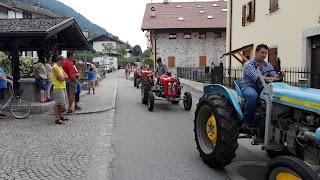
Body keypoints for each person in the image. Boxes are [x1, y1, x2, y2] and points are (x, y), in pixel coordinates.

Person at [241, 44, 284, 129]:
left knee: (276, 95)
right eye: (262, 52)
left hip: (262, 87)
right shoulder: (248, 65)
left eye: (266, 53)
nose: (264, 55)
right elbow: (258, 78)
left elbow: (273, 75)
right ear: (256, 53)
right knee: (253, 96)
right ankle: (247, 122)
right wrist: (273, 78)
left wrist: (279, 75)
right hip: (248, 86)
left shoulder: (268, 65)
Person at [51, 56, 68, 124]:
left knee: (61, 103)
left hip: (62, 86)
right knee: (58, 103)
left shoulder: (60, 67)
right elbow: (61, 78)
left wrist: (63, 77)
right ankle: (57, 118)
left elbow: (66, 76)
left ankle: (60, 116)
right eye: (63, 61)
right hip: (58, 87)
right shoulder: (55, 67)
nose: (64, 62)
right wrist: (63, 77)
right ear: (60, 60)